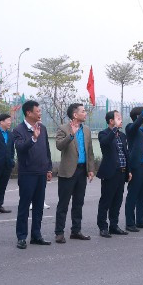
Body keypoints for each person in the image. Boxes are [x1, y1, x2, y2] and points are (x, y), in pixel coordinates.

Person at [13, 100, 53, 249]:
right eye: (38, 111)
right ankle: (21, 237)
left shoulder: (42, 128)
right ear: (28, 113)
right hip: (27, 173)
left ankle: (36, 235)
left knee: (39, 206)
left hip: (41, 172)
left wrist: (49, 168)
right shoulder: (18, 130)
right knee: (24, 206)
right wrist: (33, 138)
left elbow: (46, 149)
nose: (40, 113)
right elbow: (20, 148)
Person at [53, 103, 96, 244]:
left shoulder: (87, 130)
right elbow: (59, 146)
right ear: (75, 114)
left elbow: (90, 151)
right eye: (83, 111)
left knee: (78, 203)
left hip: (82, 171)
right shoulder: (63, 128)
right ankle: (59, 233)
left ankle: (76, 231)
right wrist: (71, 134)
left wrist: (91, 169)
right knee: (63, 204)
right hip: (68, 172)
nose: (85, 113)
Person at [97, 110, 132, 238]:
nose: (120, 120)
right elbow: (105, 143)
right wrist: (114, 130)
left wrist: (128, 170)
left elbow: (125, 153)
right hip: (110, 172)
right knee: (106, 201)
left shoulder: (122, 135)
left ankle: (114, 225)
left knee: (117, 200)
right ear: (111, 121)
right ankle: (103, 227)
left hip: (121, 172)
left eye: (121, 118)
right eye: (118, 118)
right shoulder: (103, 134)